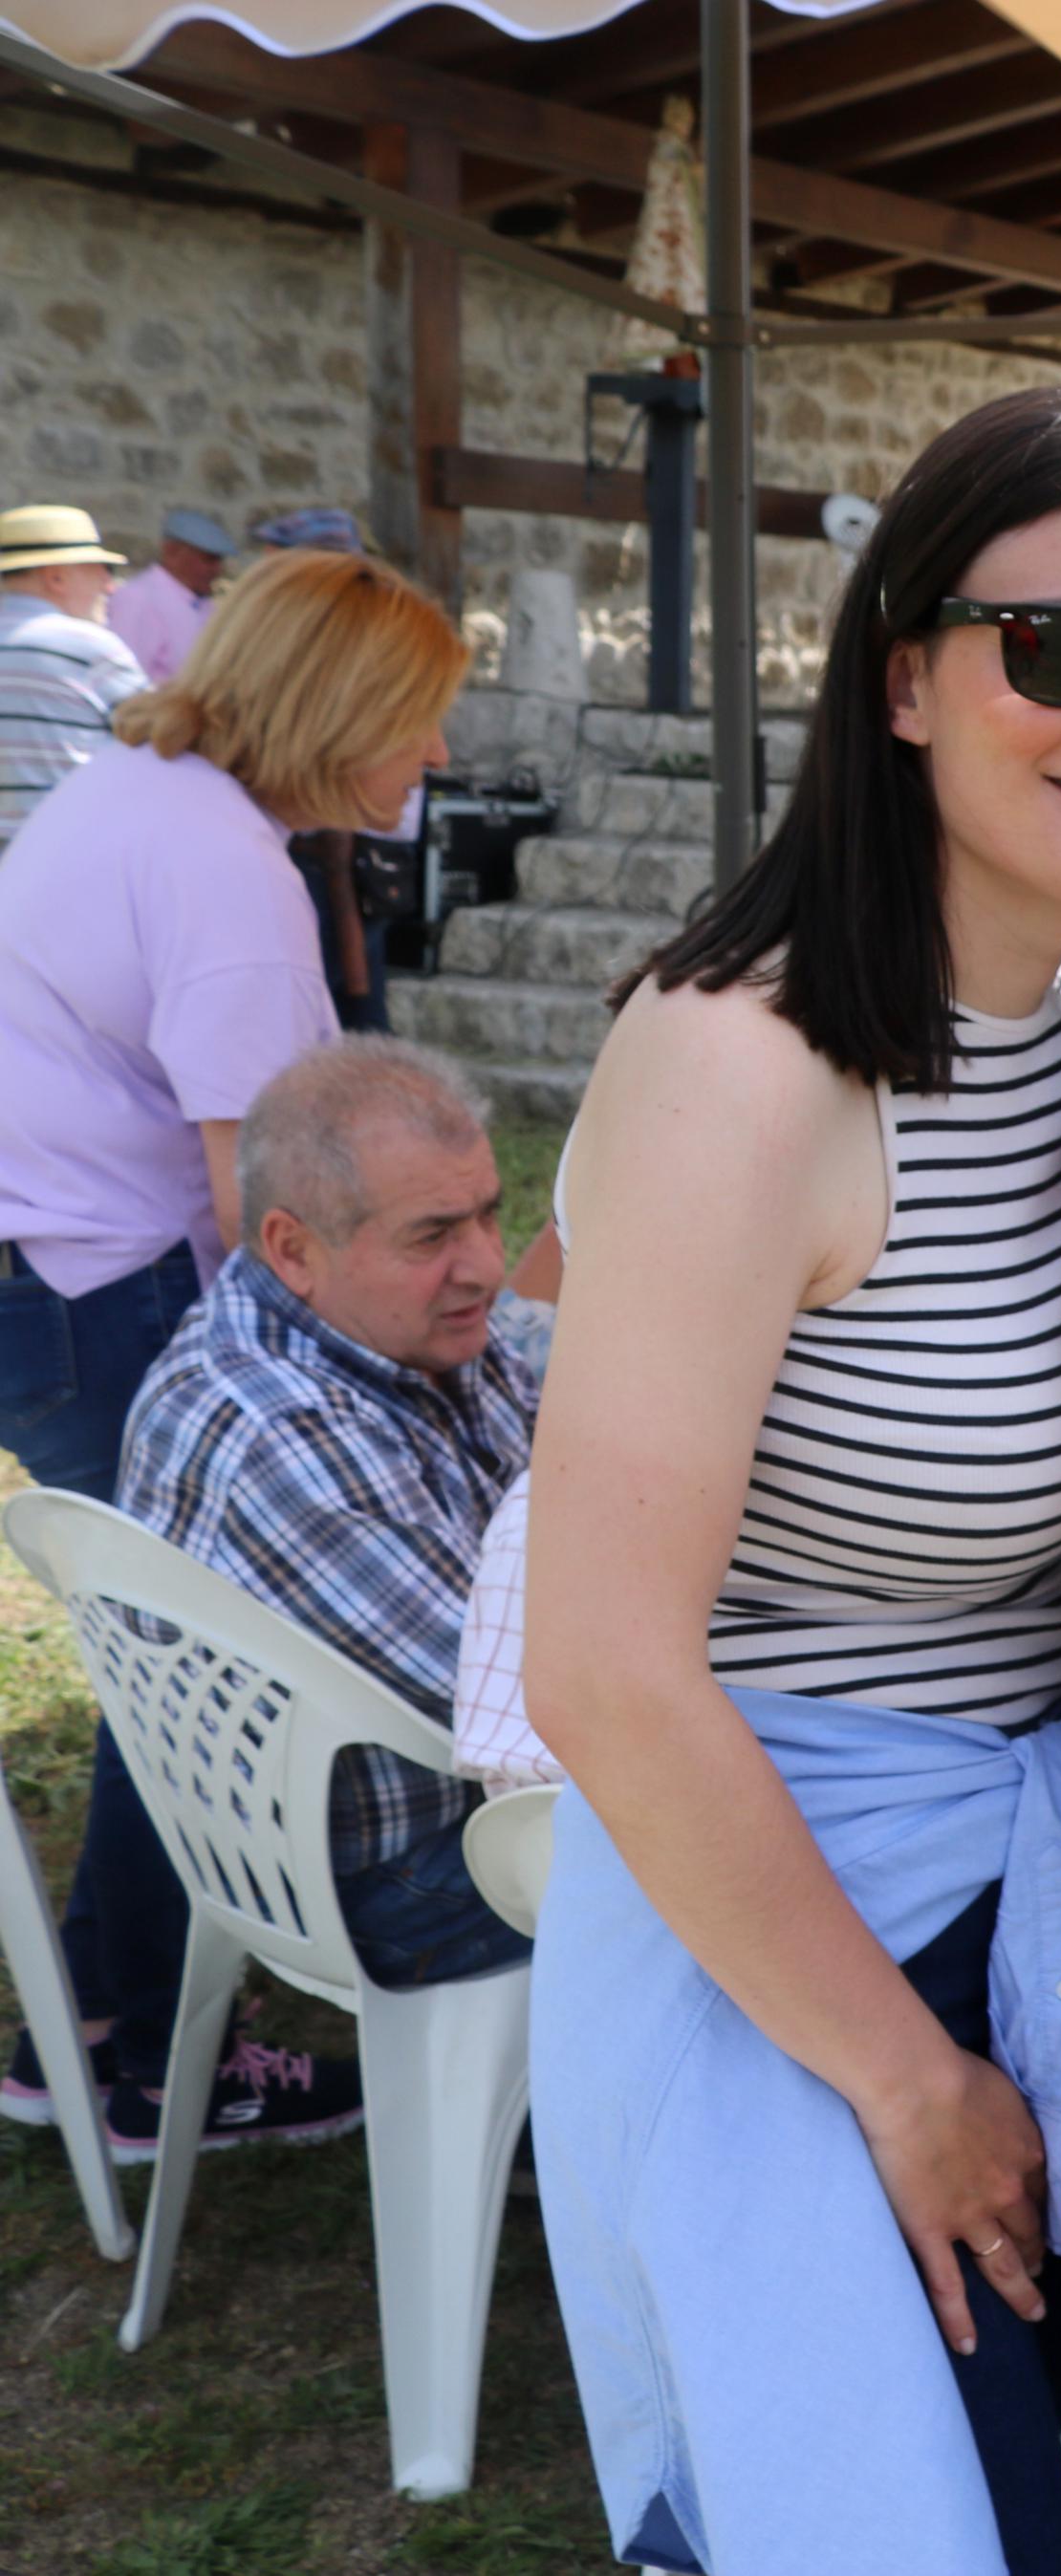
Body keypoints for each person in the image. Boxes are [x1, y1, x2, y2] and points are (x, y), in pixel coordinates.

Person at [522, 385, 1061, 2573]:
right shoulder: (742, 1068)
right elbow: (607, 1673)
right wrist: (904, 2080)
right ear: (907, 677)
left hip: (1039, 1887)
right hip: (795, 1930)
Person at [0, 544, 460, 2154]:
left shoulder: (144, 791)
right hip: (86, 1283)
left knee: (164, 1633)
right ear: (340, 714)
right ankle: (119, 2046)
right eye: (420, 716)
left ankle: (102, 2022)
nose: (440, 754)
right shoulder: (233, 882)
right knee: (194, 1651)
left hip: (40, 1259)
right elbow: (279, 1221)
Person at [113, 1039, 538, 2026]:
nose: (482, 1264)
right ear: (294, 1248)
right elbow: (534, 1706)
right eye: (432, 1234)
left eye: (487, 1212)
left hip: (462, 1803)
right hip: (407, 1875)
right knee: (814, 1868)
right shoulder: (279, 1427)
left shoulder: (392, 1327)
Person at [0, 501, 151, 850]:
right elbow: (164, 740)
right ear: (55, 577)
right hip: (69, 856)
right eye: (101, 570)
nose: (110, 586)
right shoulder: (89, 647)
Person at [103, 509, 235, 684]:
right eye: (208, 559)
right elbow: (123, 679)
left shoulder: (203, 603)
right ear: (172, 552)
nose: (217, 570)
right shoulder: (138, 598)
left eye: (218, 561)